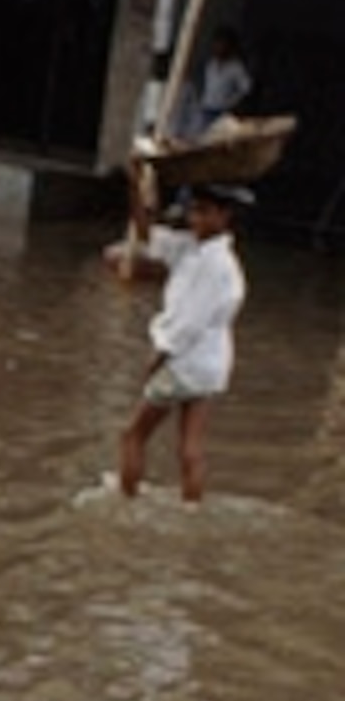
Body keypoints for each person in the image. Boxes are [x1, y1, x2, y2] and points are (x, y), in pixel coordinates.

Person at [116, 181, 250, 505]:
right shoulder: (195, 248)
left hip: (184, 362)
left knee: (133, 435)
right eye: (194, 211)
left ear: (224, 216)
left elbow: (189, 322)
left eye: (204, 212)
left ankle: (126, 500)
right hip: (209, 366)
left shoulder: (214, 265)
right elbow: (149, 235)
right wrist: (139, 189)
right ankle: (191, 509)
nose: (195, 218)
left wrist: (159, 356)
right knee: (191, 446)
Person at [183, 25, 254, 144]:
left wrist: (232, 102)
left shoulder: (235, 67)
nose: (218, 47)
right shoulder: (211, 64)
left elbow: (246, 89)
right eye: (216, 43)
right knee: (197, 140)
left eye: (222, 44)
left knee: (216, 142)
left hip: (222, 112)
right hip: (206, 108)